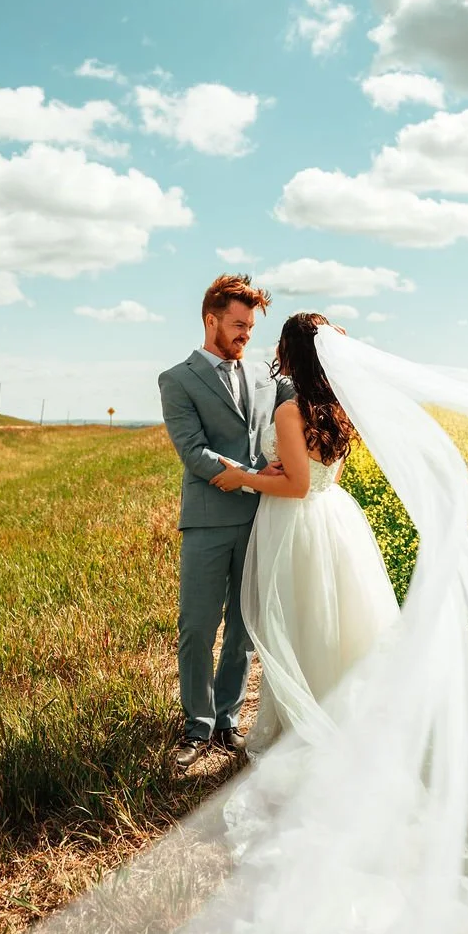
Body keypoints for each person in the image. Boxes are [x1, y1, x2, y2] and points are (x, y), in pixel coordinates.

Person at [210, 312, 400, 750]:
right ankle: (341, 716)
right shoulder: (338, 408)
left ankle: (304, 729)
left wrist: (245, 478)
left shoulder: (291, 410)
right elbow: (323, 478)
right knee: (332, 619)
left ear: (289, 352)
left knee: (295, 623)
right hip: (333, 517)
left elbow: (295, 486)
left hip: (295, 522)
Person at [158, 274, 295, 770]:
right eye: (237, 325)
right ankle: (195, 725)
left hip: (262, 518)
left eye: (251, 327)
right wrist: (252, 475)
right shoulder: (177, 379)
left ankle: (227, 720)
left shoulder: (265, 375)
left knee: (243, 627)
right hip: (208, 521)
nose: (245, 335)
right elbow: (193, 452)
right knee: (197, 626)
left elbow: (305, 390)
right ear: (210, 320)